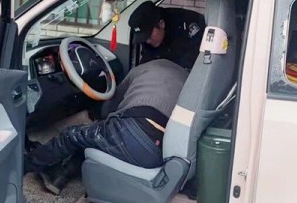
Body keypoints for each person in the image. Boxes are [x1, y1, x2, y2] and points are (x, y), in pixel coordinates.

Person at [26, 59, 189, 194]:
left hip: (133, 134)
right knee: (96, 139)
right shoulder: (187, 79)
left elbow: (111, 106)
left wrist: (97, 115)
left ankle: (26, 164)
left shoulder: (142, 69)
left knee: (71, 135)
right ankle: (60, 176)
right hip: (161, 151)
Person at [128, 1, 204, 71]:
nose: (147, 41)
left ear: (161, 24)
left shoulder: (187, 24)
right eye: (144, 38)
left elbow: (197, 62)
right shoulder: (150, 38)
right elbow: (147, 60)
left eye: (149, 35)